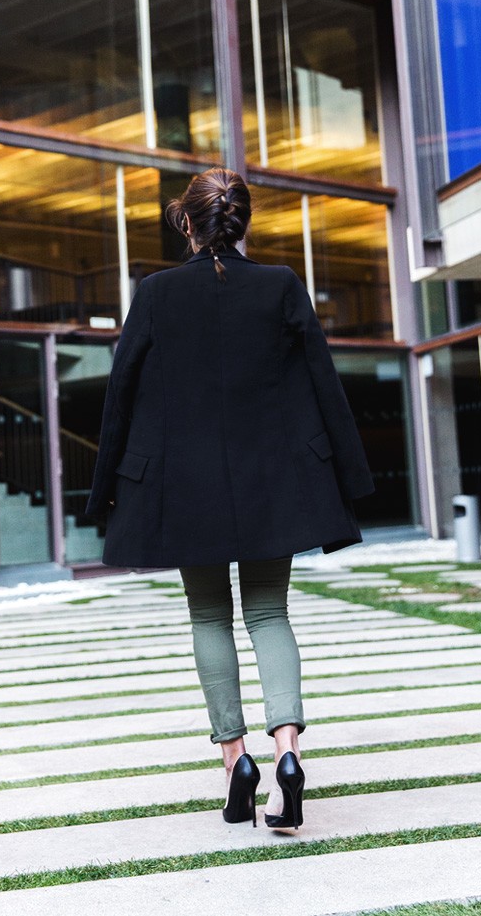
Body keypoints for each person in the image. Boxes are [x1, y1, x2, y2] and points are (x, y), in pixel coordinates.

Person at [85, 166, 374, 829]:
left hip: (186, 488)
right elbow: (323, 383)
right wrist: (350, 478)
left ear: (186, 221)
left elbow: (120, 395)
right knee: (269, 613)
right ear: (243, 222)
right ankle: (289, 757)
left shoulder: (155, 293)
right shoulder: (281, 286)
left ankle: (234, 762)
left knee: (208, 617)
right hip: (274, 482)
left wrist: (105, 491)